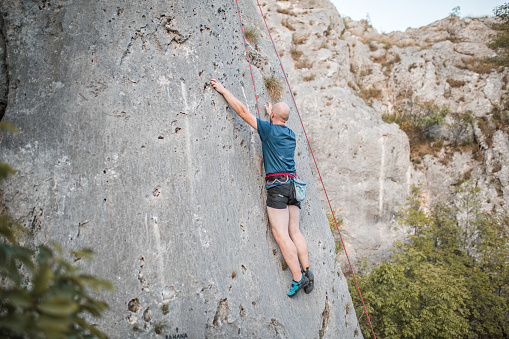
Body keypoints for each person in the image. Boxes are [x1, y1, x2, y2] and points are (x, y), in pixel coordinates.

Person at [210, 78, 314, 297]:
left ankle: (298, 278)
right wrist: (272, 116)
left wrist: (224, 90)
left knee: (280, 234)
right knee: (295, 230)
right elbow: (276, 129)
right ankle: (308, 269)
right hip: (294, 187)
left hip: (278, 188)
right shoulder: (291, 134)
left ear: (273, 116)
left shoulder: (268, 130)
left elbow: (243, 112)